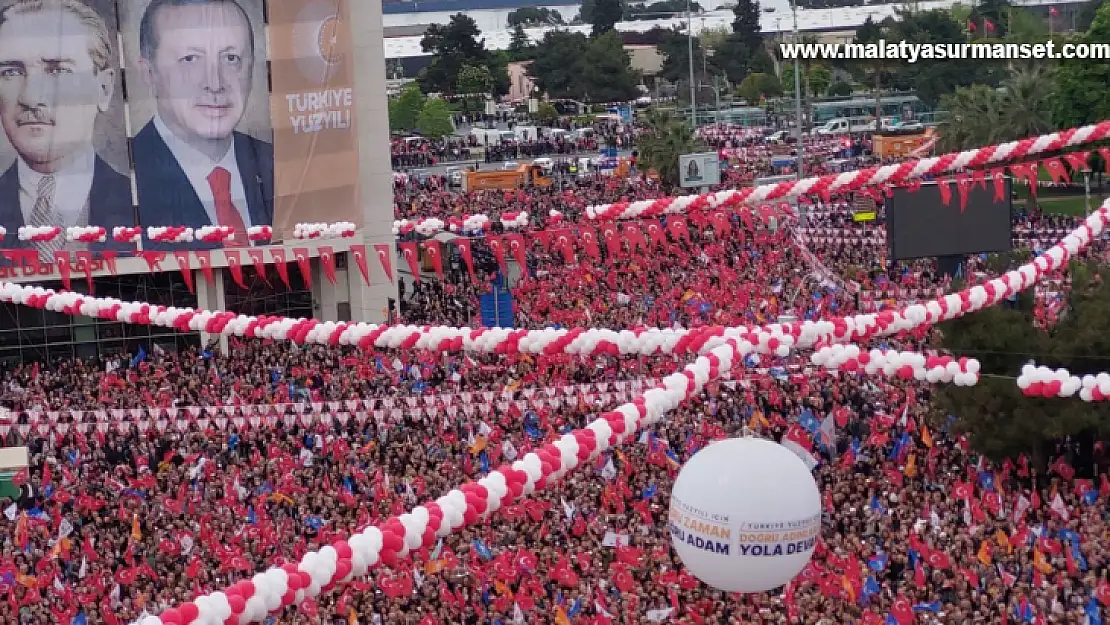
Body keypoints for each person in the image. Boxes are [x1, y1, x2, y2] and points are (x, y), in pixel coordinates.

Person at [131, 0, 273, 248]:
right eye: (190, 59)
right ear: (148, 73)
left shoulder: (281, 165)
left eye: (231, 58)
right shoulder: (124, 177)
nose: (215, 83)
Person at [0, 0, 133, 258]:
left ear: (103, 89)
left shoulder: (145, 203)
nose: (30, 97)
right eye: (11, 72)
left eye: (58, 71)